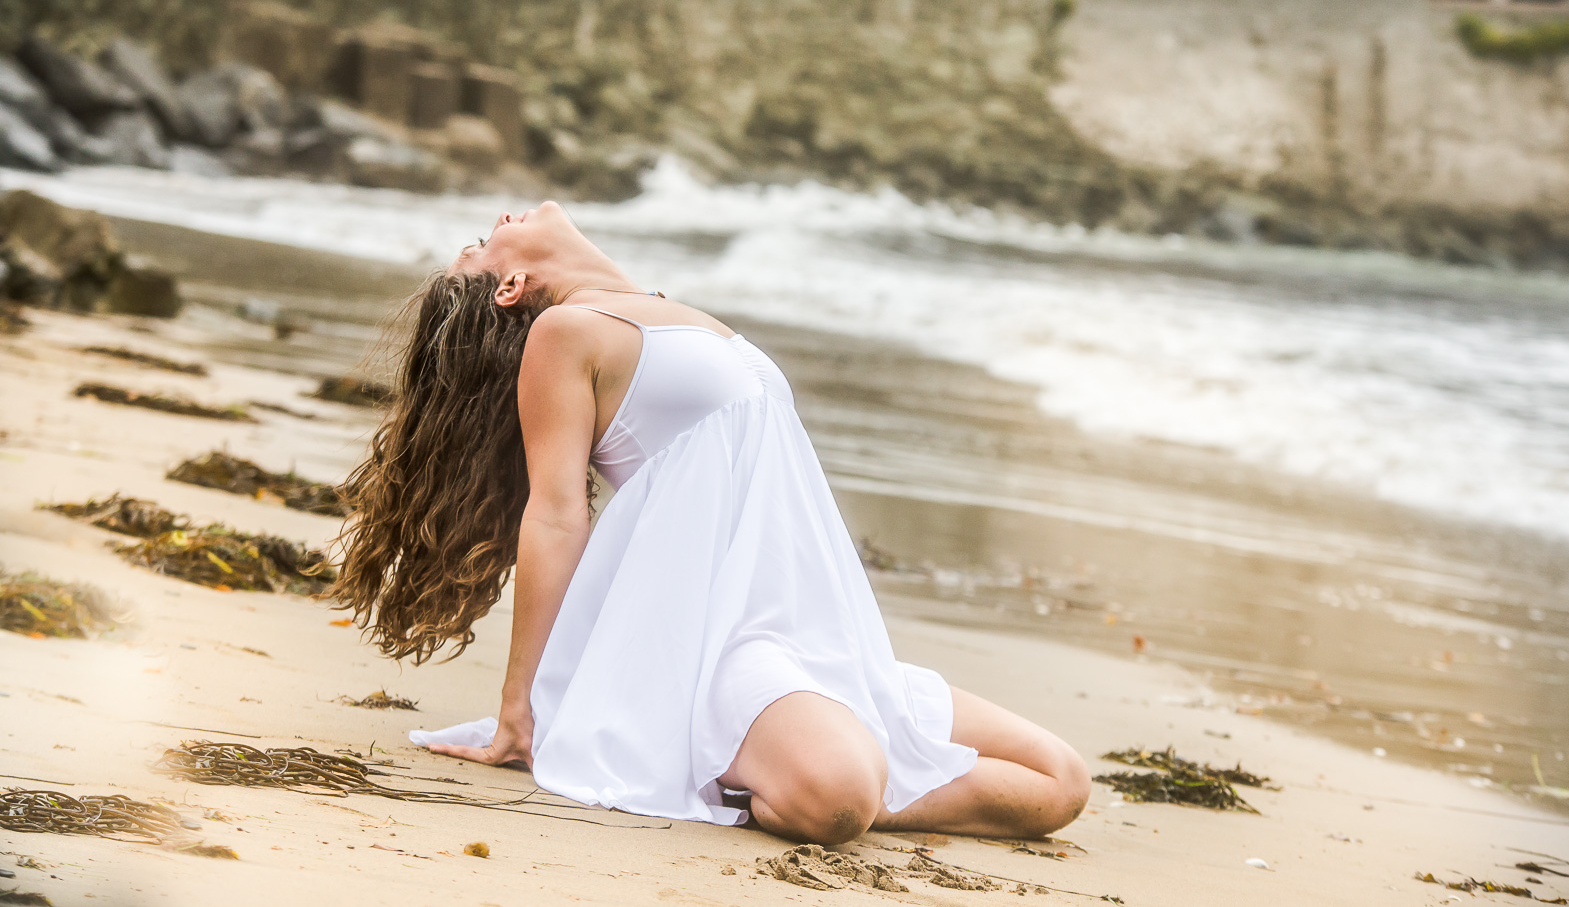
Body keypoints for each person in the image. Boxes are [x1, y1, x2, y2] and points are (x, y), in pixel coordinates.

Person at [330, 202, 1090, 845]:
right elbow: (556, 517)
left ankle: (817, 756)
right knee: (839, 797)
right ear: (512, 286)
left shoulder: (664, 310)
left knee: (1062, 783)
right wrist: (519, 711)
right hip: (723, 647)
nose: (499, 218)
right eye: (481, 246)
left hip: (821, 639)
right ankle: (771, 763)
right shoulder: (564, 335)